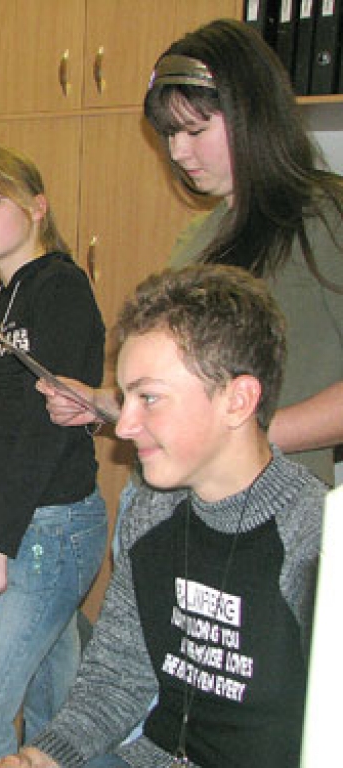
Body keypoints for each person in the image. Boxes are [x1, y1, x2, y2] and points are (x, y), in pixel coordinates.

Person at [0, 265, 326, 768]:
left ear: (238, 400)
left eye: (149, 397)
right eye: (124, 398)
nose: (124, 424)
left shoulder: (313, 536)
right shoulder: (149, 511)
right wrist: (40, 759)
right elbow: (118, 678)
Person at [39, 18, 343, 486]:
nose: (178, 151)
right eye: (169, 135)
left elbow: (215, 423)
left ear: (251, 114)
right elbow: (190, 392)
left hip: (271, 515)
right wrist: (107, 403)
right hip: (172, 518)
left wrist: (245, 436)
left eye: (195, 131)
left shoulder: (327, 217)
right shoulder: (198, 237)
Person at [0, 145, 109, 768]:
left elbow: (52, 429)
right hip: (8, 524)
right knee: (61, 723)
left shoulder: (61, 287)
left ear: (37, 207)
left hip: (51, 528)